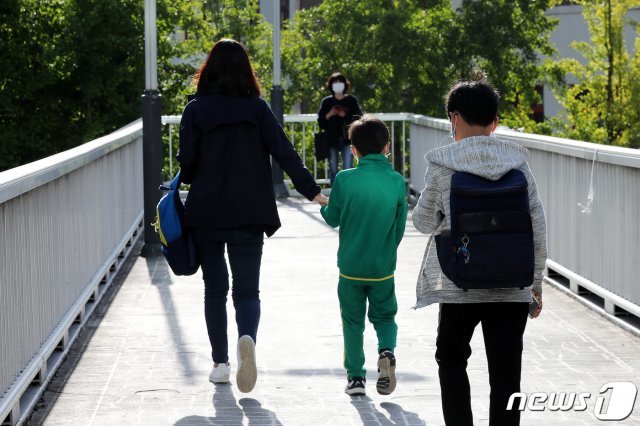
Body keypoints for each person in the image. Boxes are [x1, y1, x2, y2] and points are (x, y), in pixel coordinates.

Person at [177, 39, 328, 393]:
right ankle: (247, 338)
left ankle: (220, 363)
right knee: (247, 290)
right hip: (249, 211)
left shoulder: (195, 110)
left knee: (214, 289)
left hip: (207, 212)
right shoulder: (257, 110)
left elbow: (186, 165)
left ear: (208, 70)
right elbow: (285, 154)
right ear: (247, 71)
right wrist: (314, 193)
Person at [412, 74, 547, 425]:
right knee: (506, 376)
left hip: (460, 285)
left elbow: (424, 223)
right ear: (495, 122)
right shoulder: (518, 165)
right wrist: (536, 284)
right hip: (512, 286)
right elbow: (537, 225)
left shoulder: (443, 166)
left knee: (452, 359)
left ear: (454, 118)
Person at [320, 115, 407, 396]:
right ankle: (386, 350)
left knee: (352, 322)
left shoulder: (344, 180)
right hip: (382, 267)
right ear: (387, 148)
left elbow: (333, 219)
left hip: (350, 268)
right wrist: (387, 252)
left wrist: (324, 204)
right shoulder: (396, 182)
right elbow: (400, 226)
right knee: (385, 316)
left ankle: (356, 378)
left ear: (353, 150)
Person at [317, 72, 363, 186]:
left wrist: (345, 115)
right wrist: (330, 114)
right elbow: (321, 123)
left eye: (340, 82)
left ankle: (349, 192)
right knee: (333, 170)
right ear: (331, 85)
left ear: (344, 84)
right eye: (335, 82)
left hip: (348, 140)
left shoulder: (351, 101)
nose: (338, 84)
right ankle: (335, 194)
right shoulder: (327, 102)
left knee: (348, 167)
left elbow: (359, 119)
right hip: (331, 140)